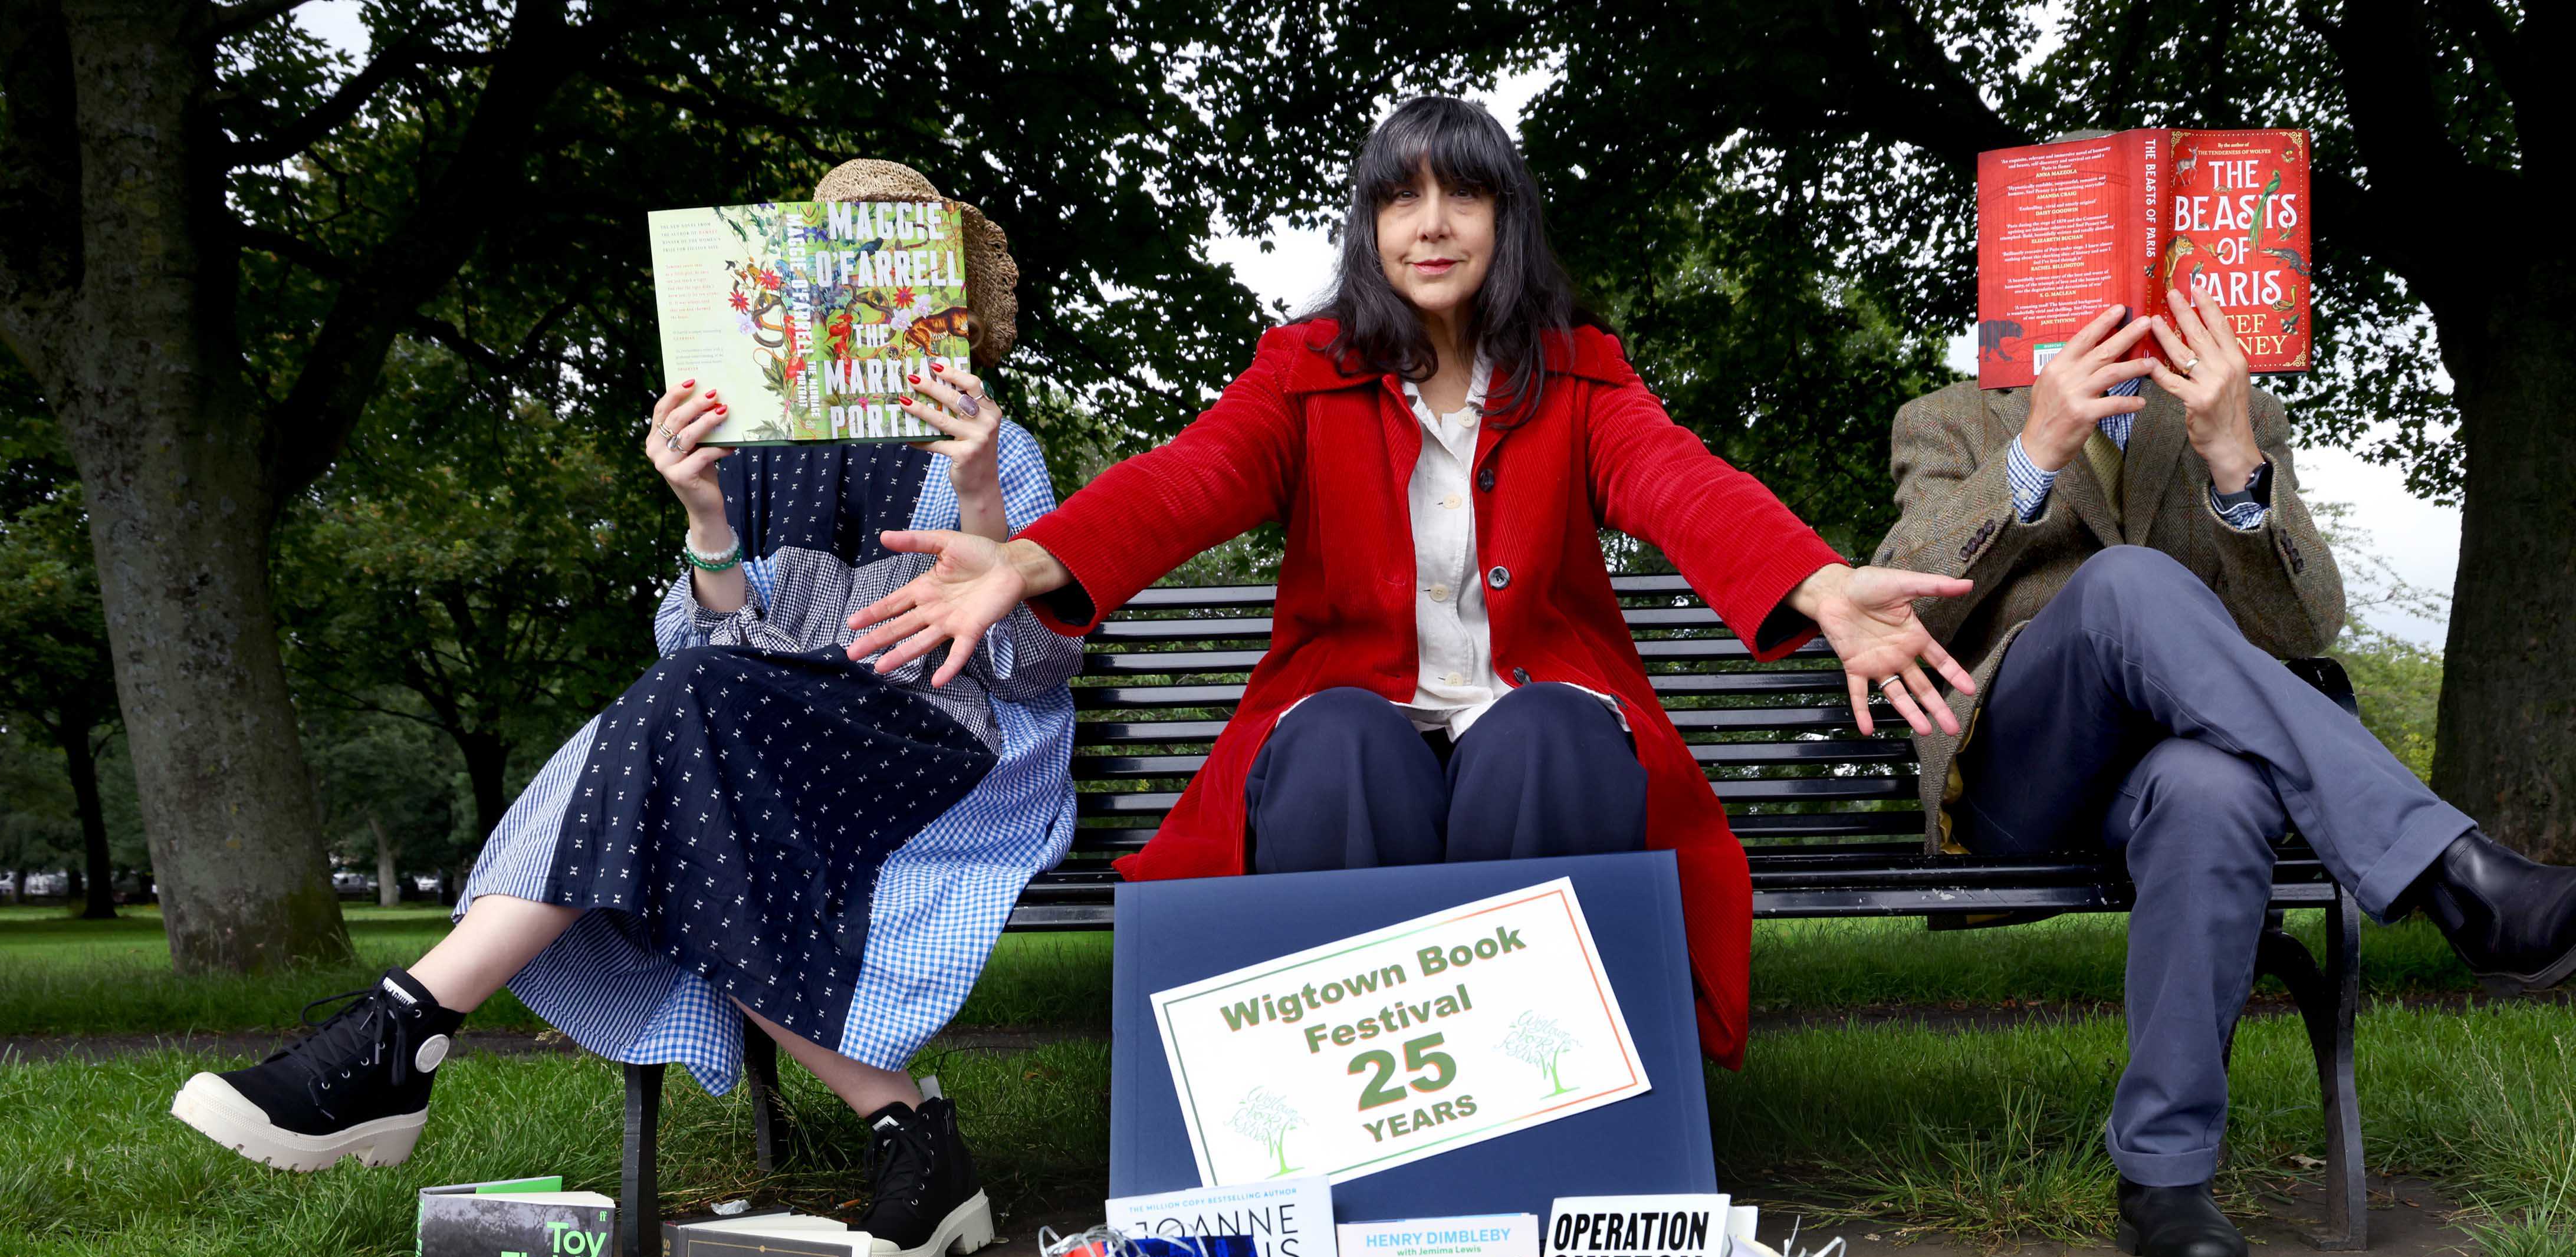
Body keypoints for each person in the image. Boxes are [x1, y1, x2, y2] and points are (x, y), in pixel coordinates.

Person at [840, 95, 1983, 1067]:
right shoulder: (1302, 371)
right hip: (1359, 724)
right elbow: (1191, 478)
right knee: (1337, 741)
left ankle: (1557, 1111)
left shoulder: (1579, 374)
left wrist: (1820, 580)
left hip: (1533, 724)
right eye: (1400, 199)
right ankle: (1347, 1130)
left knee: (1551, 738)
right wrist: (1033, 556)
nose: (1430, 226)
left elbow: (1679, 482)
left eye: (1463, 198)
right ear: (1369, 227)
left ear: (1506, 221)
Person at [170, 160, 1076, 1257]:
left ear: (941, 302)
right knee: (685, 759)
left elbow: (1033, 668)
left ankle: (399, 1034)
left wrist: (982, 491)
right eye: (833, 273)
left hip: (939, 750)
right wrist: (704, 511)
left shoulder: (997, 444)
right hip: (771, 748)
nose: (861, 305)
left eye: (892, 272)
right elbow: (700, 656)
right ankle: (910, 1135)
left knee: (683, 741)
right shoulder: (750, 458)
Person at [1876, 289, 2576, 1257]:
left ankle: (2165, 1176)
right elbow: (1898, 608)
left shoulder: (2221, 409)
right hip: (2014, 772)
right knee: (2124, 584)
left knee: (2217, 794)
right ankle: (2456, 871)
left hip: (2166, 772)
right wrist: (2033, 451)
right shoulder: (1951, 417)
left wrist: (2238, 463)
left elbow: (2306, 627)